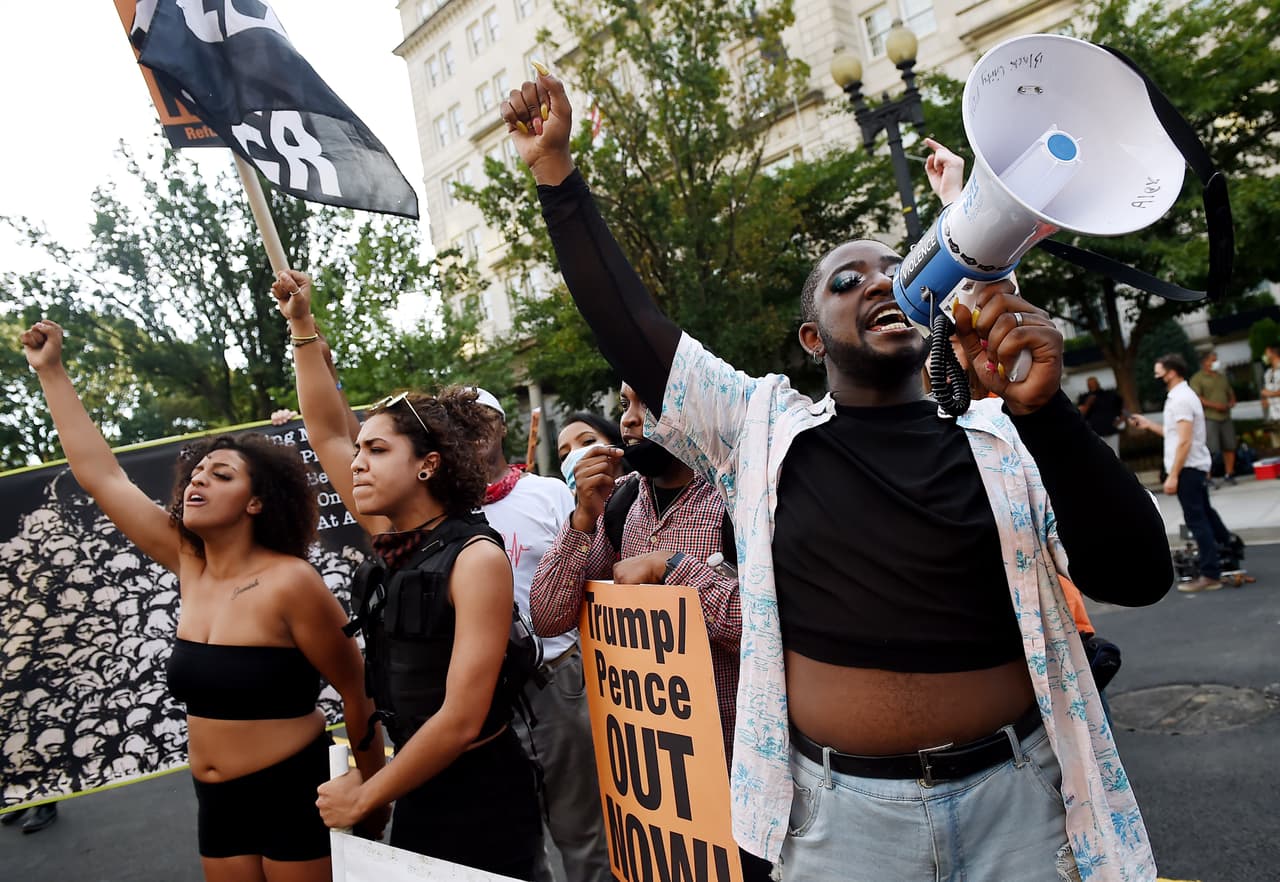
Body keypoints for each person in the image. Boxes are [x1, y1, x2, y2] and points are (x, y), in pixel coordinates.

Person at [502, 71, 1173, 880]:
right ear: (812, 339)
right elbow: (630, 325)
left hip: (1020, 808)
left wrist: (1047, 413)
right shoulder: (762, 431)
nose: (880, 282)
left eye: (896, 268)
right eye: (846, 281)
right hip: (840, 826)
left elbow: (1136, 577)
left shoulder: (999, 434)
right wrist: (556, 177)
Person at [20, 319, 384, 882]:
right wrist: (51, 372)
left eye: (220, 475)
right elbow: (101, 475)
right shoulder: (190, 562)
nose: (197, 481)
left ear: (257, 502)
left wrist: (372, 795)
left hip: (292, 790)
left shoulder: (292, 582)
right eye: (196, 473)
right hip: (215, 802)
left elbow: (357, 693)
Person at [271, 271, 541, 880]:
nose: (357, 463)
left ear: (428, 466)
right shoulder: (392, 541)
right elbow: (325, 430)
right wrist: (302, 328)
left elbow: (462, 716)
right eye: (360, 452)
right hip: (416, 785)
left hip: (483, 803)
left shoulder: (476, 559)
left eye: (378, 451)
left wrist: (369, 794)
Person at [531, 383, 771, 882]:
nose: (629, 421)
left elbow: (761, 626)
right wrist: (581, 518)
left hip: (738, 781)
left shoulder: (741, 495)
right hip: (653, 795)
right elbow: (549, 614)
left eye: (649, 406)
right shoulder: (618, 508)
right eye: (624, 407)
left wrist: (673, 566)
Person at [471, 389, 614, 882]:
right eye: (460, 419)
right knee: (510, 837)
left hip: (557, 680)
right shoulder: (446, 513)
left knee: (583, 830)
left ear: (500, 425)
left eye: (482, 416)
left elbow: (588, 572)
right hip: (484, 697)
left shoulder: (549, 493)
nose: (472, 427)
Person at [1129, 354, 1235, 593]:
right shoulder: (1180, 397)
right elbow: (1176, 434)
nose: (1155, 375)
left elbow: (1185, 441)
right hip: (1192, 466)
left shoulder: (1181, 399)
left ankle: (1211, 574)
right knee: (1205, 513)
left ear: (1171, 372)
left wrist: (1173, 475)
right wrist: (1148, 425)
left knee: (1197, 520)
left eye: (1158, 371)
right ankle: (1229, 550)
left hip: (1187, 468)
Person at [1190, 349, 1238, 482]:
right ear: (1205, 362)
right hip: (1209, 417)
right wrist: (1215, 405)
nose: (1216, 362)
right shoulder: (1197, 379)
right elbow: (1197, 398)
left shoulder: (1222, 376)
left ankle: (1229, 473)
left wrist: (1232, 401)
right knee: (1209, 449)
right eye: (1213, 360)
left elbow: (1230, 391)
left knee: (1230, 446)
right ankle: (1207, 477)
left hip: (1226, 417)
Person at [556, 410, 625, 493]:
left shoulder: (642, 489)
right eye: (565, 455)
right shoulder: (566, 504)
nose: (573, 453)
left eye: (588, 441)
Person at [1076, 377, 1126, 456]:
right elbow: (1080, 414)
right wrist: (1088, 403)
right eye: (1090, 385)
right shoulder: (1084, 397)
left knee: (1115, 455)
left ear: (1098, 383)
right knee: (1099, 456)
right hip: (1095, 433)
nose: (1092, 386)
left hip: (1111, 430)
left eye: (1094, 383)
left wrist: (1121, 420)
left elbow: (1124, 408)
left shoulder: (1110, 395)